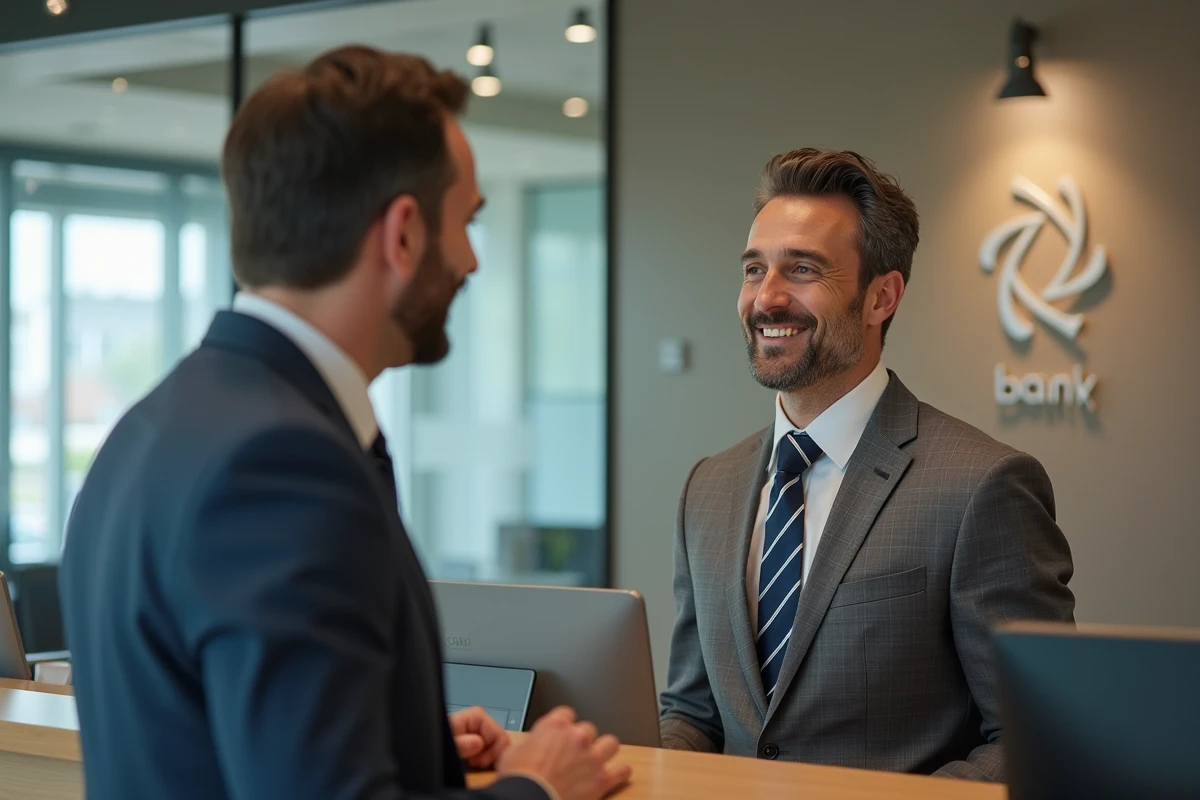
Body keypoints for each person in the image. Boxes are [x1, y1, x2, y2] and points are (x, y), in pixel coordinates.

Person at [59, 46, 630, 800]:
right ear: (402, 234)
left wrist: (410, 741)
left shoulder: (150, 428)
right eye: (468, 223)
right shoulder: (283, 466)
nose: (471, 261)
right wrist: (536, 788)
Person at [657, 148, 1075, 781]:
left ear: (883, 296)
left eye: (801, 270)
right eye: (753, 269)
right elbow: (694, 713)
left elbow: (1036, 737)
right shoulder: (706, 490)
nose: (766, 299)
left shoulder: (982, 486)